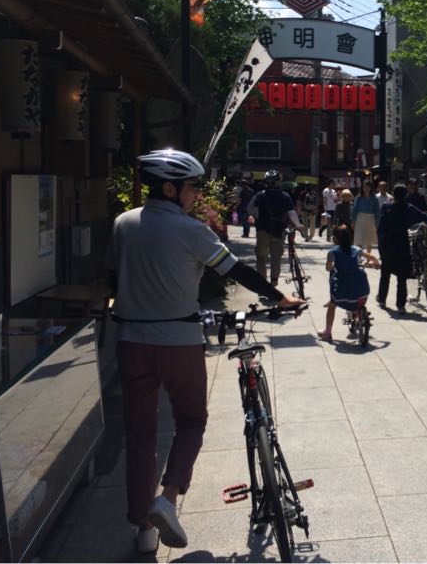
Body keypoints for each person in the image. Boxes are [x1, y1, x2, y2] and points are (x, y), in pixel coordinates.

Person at [105, 149, 306, 553]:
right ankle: (169, 498)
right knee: (191, 421)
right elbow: (236, 270)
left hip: (130, 341)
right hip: (178, 341)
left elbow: (113, 278)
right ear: (170, 188)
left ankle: (143, 530)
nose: (196, 193)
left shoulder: (123, 223)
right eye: (193, 186)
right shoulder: (191, 230)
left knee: (140, 434)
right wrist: (280, 297)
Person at [377, 183, 427, 312]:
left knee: (385, 274)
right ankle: (400, 305)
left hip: (388, 244)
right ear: (405, 195)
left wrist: (381, 247)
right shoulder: (409, 208)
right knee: (401, 277)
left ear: (393, 194)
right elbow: (424, 217)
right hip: (402, 244)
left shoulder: (386, 207)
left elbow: (381, 229)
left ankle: (382, 299)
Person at [318, 226, 380, 342]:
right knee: (357, 294)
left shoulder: (332, 252)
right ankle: (359, 312)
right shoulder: (356, 249)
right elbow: (372, 257)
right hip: (362, 292)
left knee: (332, 305)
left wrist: (332, 265)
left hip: (341, 295)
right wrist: (376, 264)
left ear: (335, 239)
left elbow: (328, 268)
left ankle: (327, 332)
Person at [248, 171, 305, 285]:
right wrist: (298, 225)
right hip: (278, 231)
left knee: (261, 258)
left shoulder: (259, 195)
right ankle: (273, 282)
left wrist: (257, 218)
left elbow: (250, 209)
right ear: (279, 182)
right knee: (276, 258)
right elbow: (291, 212)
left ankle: (262, 284)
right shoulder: (285, 196)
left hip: (262, 231)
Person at [352, 180, 380, 252]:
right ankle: (360, 255)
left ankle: (368, 255)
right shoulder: (359, 197)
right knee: (359, 238)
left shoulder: (374, 198)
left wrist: (377, 222)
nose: (366, 188)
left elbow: (377, 211)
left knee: (369, 239)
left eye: (368, 186)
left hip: (371, 219)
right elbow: (355, 210)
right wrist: (353, 221)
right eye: (364, 187)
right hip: (360, 218)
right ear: (362, 188)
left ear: (370, 187)